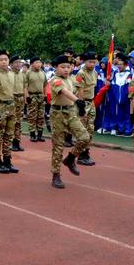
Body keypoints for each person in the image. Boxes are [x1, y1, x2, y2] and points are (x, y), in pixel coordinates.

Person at [49, 55, 90, 189]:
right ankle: (56, 175)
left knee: (84, 137)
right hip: (58, 114)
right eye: (63, 67)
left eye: (68, 67)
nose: (66, 69)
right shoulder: (55, 80)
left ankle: (70, 159)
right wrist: (77, 100)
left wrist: (80, 107)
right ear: (56, 67)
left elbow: (78, 90)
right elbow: (65, 92)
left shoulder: (72, 79)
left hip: (71, 112)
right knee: (58, 146)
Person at [0, 50, 18, 174]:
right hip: (0, 107)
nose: (4, 62)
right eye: (1, 60)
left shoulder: (12, 74)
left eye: (6, 59)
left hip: (11, 106)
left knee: (9, 135)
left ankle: (7, 160)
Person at [74, 52, 99, 166]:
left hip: (92, 102)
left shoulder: (95, 72)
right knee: (83, 129)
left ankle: (86, 153)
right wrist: (81, 105)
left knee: (90, 128)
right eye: (90, 62)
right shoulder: (81, 73)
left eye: (94, 62)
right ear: (84, 61)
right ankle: (80, 154)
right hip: (83, 103)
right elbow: (80, 90)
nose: (93, 64)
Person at [24, 56, 47, 143]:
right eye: (36, 62)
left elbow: (45, 85)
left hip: (41, 96)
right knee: (32, 116)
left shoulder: (43, 73)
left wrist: (45, 96)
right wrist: (27, 97)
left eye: (40, 63)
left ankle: (40, 134)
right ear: (32, 64)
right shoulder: (28, 73)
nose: (39, 64)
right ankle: (33, 134)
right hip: (32, 96)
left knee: (41, 116)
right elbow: (25, 86)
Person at [10, 55, 25, 151]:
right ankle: (11, 142)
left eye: (20, 62)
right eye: (16, 62)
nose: (18, 64)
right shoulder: (9, 74)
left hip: (20, 98)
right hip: (12, 99)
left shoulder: (22, 74)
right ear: (11, 64)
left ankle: (17, 142)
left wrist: (25, 97)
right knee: (12, 122)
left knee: (19, 122)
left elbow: (24, 87)